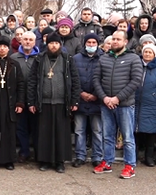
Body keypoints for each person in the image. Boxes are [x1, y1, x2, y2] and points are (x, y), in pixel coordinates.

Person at [27, 32, 81, 173]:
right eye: (51, 43)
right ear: (47, 44)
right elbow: (32, 81)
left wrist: (74, 100)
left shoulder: (67, 59)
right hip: (43, 102)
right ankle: (44, 161)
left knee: (60, 134)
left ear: (60, 45)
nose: (53, 46)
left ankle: (59, 162)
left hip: (62, 103)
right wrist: (31, 102)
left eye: (56, 43)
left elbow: (75, 80)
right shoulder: (39, 59)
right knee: (44, 134)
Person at [93, 30, 143, 179]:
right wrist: (104, 98)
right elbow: (96, 79)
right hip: (106, 104)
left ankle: (129, 165)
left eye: (118, 39)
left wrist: (117, 98)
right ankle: (107, 162)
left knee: (127, 137)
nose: (115, 41)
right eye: (113, 39)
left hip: (125, 105)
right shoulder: (103, 58)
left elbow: (136, 81)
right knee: (107, 136)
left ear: (125, 42)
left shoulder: (133, 58)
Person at [0, 36, 25, 170]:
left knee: (10, 131)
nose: (2, 48)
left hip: (11, 102)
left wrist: (20, 103)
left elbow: (21, 84)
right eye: (0, 46)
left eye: (5, 46)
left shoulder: (14, 65)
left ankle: (10, 160)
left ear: (8, 48)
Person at [134, 43, 156, 166]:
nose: (147, 54)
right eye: (145, 52)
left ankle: (149, 157)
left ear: (155, 54)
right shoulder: (136, 65)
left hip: (152, 105)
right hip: (136, 104)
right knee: (135, 132)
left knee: (151, 133)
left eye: (150, 52)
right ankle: (134, 156)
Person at [73, 33, 105, 167]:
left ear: (97, 44)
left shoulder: (104, 58)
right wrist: (81, 93)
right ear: (85, 43)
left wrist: (96, 94)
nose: (91, 45)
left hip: (97, 101)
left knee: (97, 131)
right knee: (79, 130)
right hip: (80, 100)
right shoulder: (76, 58)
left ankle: (97, 156)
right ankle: (80, 155)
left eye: (93, 43)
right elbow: (73, 78)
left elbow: (105, 78)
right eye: (89, 42)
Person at [10, 31, 39, 163]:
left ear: (35, 42)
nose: (27, 42)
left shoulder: (39, 58)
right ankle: (24, 151)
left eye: (30, 40)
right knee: (20, 127)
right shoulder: (14, 58)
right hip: (19, 98)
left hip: (35, 98)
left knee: (35, 126)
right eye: (25, 39)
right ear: (21, 41)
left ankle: (38, 152)